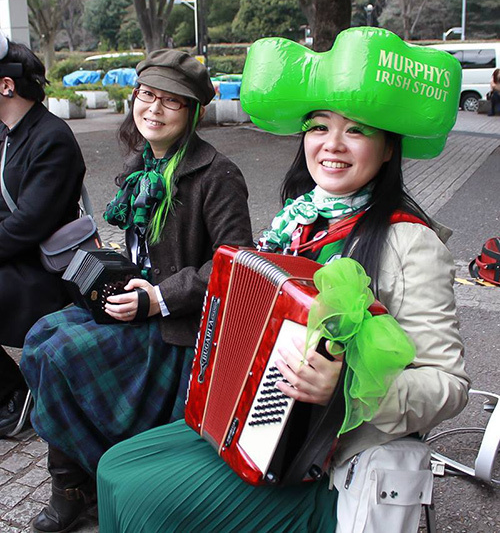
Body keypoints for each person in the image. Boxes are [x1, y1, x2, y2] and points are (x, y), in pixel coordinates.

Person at [96, 29, 470, 533]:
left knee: (146, 503)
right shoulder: (294, 220)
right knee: (116, 468)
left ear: (387, 150)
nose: (331, 145)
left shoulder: (412, 243)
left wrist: (351, 386)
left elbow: (449, 386)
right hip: (251, 425)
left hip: (326, 461)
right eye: (318, 128)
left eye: (356, 131)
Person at [20, 49, 253, 533]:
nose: (154, 109)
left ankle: (82, 484)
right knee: (41, 336)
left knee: (64, 354)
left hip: (179, 327)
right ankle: (77, 481)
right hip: (134, 302)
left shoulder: (218, 174)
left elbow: (236, 264)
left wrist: (158, 297)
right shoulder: (138, 164)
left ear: (195, 112)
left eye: (172, 101)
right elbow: (141, 248)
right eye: (148, 95)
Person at [0, 32, 85, 437]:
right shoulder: (6, 133)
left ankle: (14, 395)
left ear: (6, 84)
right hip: (12, 262)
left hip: (45, 273)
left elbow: (28, 225)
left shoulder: (52, 138)